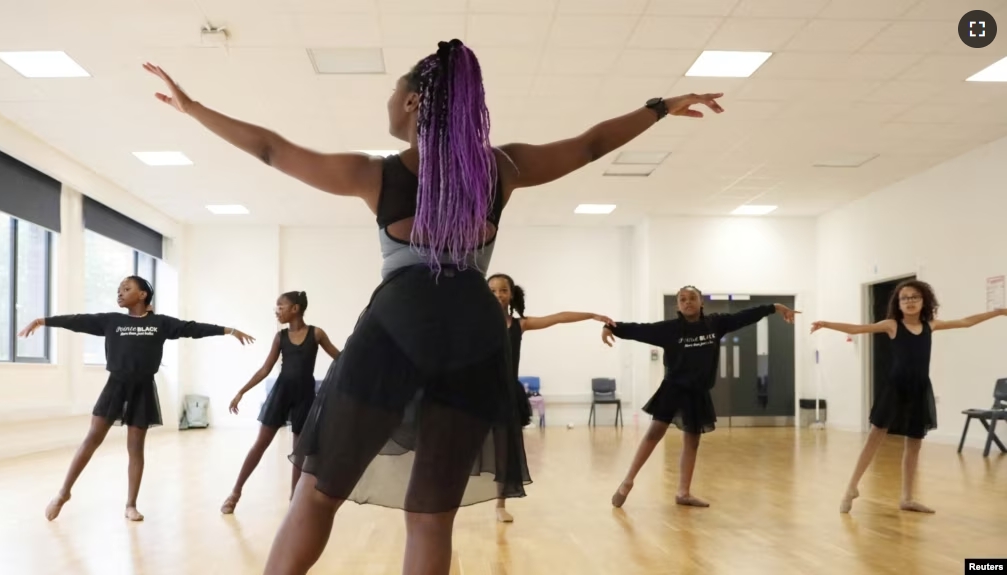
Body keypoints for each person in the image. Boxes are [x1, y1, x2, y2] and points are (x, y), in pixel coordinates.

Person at [145, 38, 725, 574]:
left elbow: (272, 149)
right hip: (474, 332)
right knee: (430, 514)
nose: (388, 104)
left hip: (399, 324)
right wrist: (660, 106)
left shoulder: (377, 173)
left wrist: (194, 108)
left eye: (392, 94)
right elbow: (591, 144)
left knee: (317, 493)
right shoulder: (500, 168)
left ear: (414, 99)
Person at [17, 276, 254, 522]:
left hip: (143, 389)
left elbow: (192, 328)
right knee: (92, 439)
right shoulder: (111, 320)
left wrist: (230, 330)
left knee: (136, 449)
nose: (120, 293)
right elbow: (77, 321)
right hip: (115, 387)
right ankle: (63, 493)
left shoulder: (160, 323)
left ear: (142, 295)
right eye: (118, 290)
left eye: (126, 289)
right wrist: (42, 321)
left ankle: (131, 505)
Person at [810, 279, 1007, 514]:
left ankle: (907, 497)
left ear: (924, 301)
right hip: (895, 387)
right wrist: (826, 323)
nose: (910, 301)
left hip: (919, 389)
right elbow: (857, 329)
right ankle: (851, 487)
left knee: (914, 443)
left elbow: (965, 322)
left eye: (914, 297)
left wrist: (998, 312)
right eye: (905, 298)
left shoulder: (931, 325)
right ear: (899, 303)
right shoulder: (892, 325)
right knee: (875, 437)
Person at [602, 286, 798, 509]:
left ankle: (683, 493)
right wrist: (609, 327)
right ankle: (627, 482)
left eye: (692, 298)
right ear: (678, 305)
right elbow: (638, 329)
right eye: (682, 299)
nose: (687, 302)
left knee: (692, 442)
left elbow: (743, 317)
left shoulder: (715, 323)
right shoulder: (670, 329)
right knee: (654, 432)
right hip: (673, 388)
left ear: (701, 302)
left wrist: (773, 307)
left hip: (699, 392)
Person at [487, 272, 614, 523]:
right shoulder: (476, 323)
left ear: (511, 294)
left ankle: (500, 504)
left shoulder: (519, 325)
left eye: (503, 290)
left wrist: (591, 315)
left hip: (507, 395)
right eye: (492, 291)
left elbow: (557, 318)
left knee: (505, 449)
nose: (498, 295)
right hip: (479, 392)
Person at [221, 291, 341, 514]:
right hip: (281, 394)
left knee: (299, 451)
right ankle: (235, 493)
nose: (276, 311)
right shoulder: (280, 337)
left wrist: (363, 361)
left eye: (280, 306)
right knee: (260, 445)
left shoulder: (316, 334)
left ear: (295, 308)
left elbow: (339, 358)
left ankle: (294, 499)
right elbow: (265, 369)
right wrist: (241, 391)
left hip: (305, 396)